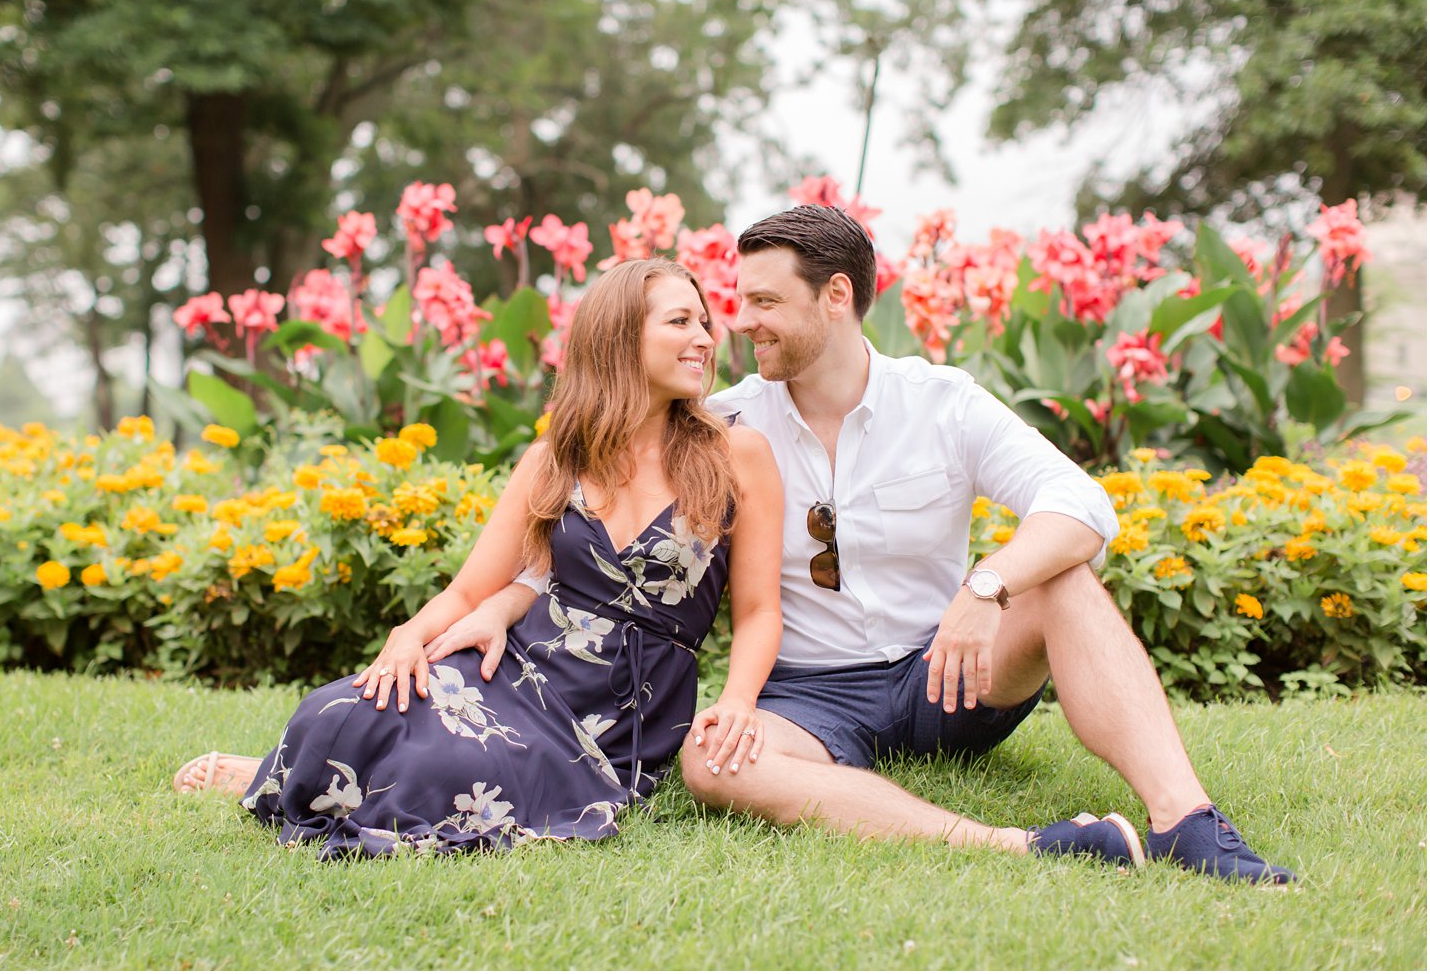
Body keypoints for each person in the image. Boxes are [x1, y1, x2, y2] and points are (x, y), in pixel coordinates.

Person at [445, 205, 1294, 884]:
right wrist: (505, 598)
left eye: (765, 303)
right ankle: (1015, 843)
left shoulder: (943, 403)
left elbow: (1081, 502)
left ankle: (1185, 819)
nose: (742, 325)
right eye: (740, 305)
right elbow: (593, 508)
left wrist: (987, 587)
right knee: (710, 761)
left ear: (838, 296)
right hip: (808, 701)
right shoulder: (725, 423)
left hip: (949, 671)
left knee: (1064, 576)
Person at [173, 258, 784, 861]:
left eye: (704, 323)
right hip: (514, 665)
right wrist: (408, 636)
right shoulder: (554, 459)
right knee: (334, 709)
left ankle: (301, 778)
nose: (705, 339)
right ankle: (297, 766)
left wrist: (736, 700)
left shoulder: (736, 454)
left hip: (613, 715)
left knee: (455, 765)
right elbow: (469, 592)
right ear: (621, 336)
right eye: (681, 322)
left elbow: (757, 609)